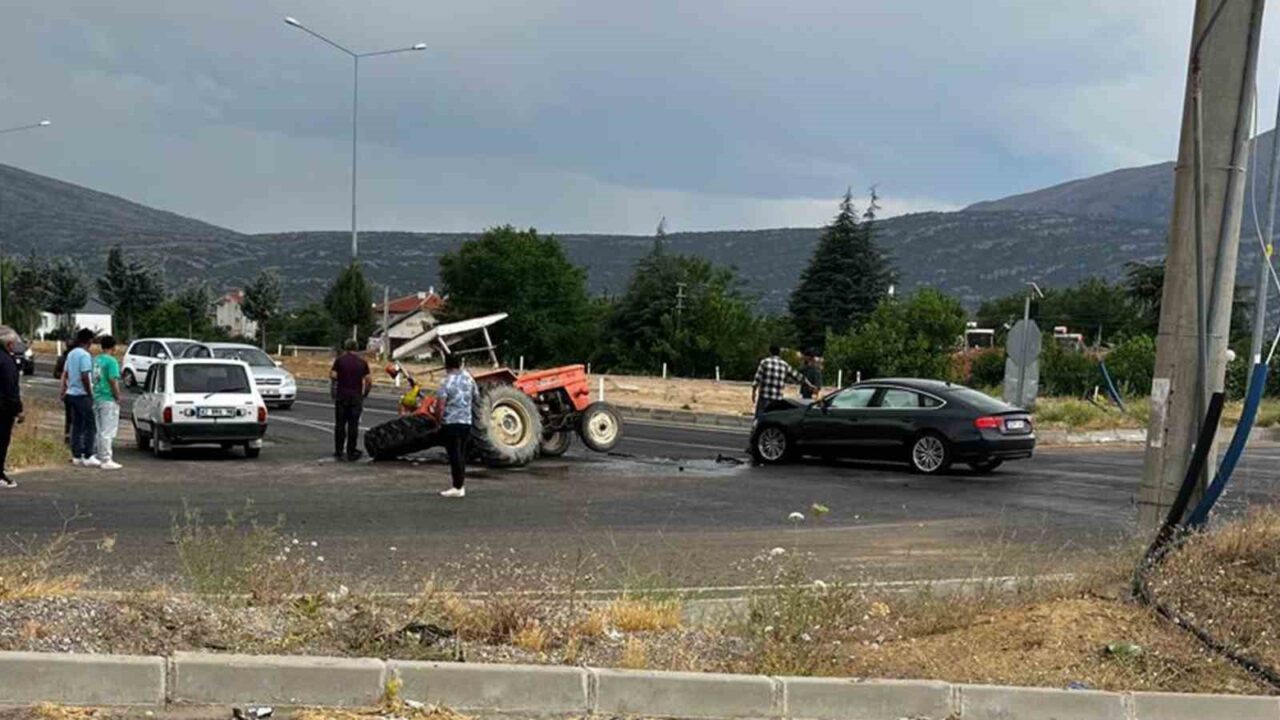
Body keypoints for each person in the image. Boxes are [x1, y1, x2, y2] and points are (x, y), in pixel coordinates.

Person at [435, 352, 480, 499]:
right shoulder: (469, 380)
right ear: (460, 363)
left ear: (446, 365)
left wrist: (438, 421)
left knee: (454, 455)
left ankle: (458, 486)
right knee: (461, 453)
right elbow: (476, 398)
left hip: (451, 423)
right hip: (466, 422)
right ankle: (460, 484)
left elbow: (440, 406)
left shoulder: (445, 382)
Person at [330, 339, 372, 461]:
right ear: (357, 348)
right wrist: (365, 394)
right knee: (353, 425)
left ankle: (338, 450)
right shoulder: (362, 363)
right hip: (356, 397)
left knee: (340, 424)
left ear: (345, 348)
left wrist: (334, 391)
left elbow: (333, 376)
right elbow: (369, 381)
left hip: (342, 395)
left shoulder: (339, 361)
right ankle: (351, 451)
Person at [64, 328, 98, 467]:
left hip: (71, 393)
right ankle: (88, 454)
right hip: (82, 394)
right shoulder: (85, 355)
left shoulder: (71, 354)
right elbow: (85, 375)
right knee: (90, 425)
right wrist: (90, 393)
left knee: (76, 426)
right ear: (89, 341)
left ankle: (76, 455)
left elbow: (65, 372)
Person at [751, 344, 812, 418]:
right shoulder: (784, 365)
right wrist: (809, 385)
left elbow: (757, 378)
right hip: (777, 397)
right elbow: (798, 376)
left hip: (765, 396)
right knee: (774, 417)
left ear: (770, 352)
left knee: (761, 418)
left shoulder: (765, 362)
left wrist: (754, 392)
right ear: (779, 353)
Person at [92, 335, 123, 470]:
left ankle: (99, 455)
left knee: (99, 429)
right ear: (113, 347)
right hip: (107, 398)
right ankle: (106, 458)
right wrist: (117, 395)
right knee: (108, 430)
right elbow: (112, 380)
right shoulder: (112, 362)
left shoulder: (96, 360)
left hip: (97, 396)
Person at [0, 327, 25, 489]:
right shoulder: (6, 361)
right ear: (9, 344)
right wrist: (18, 409)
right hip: (2, 409)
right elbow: (11, 388)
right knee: (1, 440)